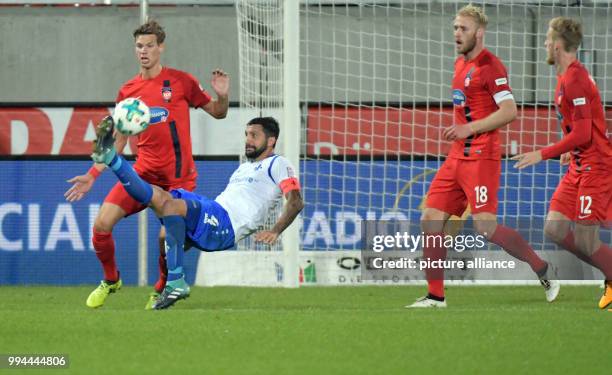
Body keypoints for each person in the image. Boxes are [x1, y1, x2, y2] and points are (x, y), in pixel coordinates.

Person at [64, 20, 230, 309]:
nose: (144, 51)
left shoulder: (181, 82)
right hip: (143, 174)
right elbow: (118, 142)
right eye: (139, 46)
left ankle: (162, 287)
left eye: (150, 45)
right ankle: (111, 279)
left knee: (166, 237)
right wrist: (92, 175)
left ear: (161, 47)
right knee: (101, 225)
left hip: (179, 179)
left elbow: (218, 113)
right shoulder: (128, 91)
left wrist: (223, 95)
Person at [407, 5, 559, 308]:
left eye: (463, 29)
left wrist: (469, 129)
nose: (457, 34)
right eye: (454, 28)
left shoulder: (491, 67)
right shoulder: (459, 64)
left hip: (481, 159)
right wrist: (461, 133)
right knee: (430, 219)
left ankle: (542, 268)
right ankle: (436, 296)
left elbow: (509, 111)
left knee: (485, 228)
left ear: (479, 32)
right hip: (456, 158)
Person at [90, 115, 304, 309]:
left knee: (168, 207)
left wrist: (276, 230)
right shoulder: (244, 167)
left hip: (226, 225)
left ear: (271, 141)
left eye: (254, 135)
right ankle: (164, 286)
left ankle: (175, 282)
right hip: (216, 209)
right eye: (246, 134)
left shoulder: (279, 163)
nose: (248, 140)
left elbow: (295, 201)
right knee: (160, 203)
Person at [513, 17, 612, 310]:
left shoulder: (575, 79)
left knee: (585, 241)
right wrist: (571, 146)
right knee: (554, 229)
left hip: (596, 166)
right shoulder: (566, 77)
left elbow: (583, 132)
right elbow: (584, 127)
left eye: (547, 39)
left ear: (557, 45)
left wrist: (542, 153)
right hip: (579, 163)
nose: (544, 43)